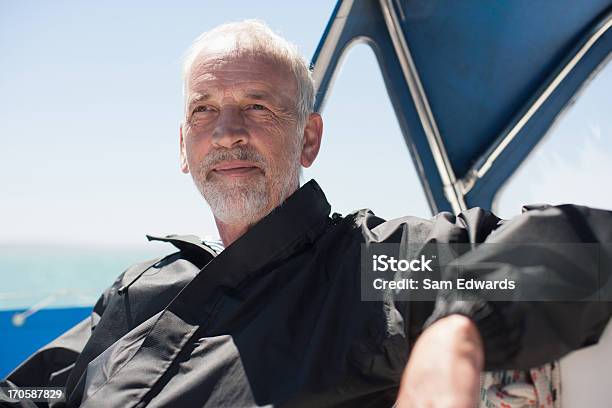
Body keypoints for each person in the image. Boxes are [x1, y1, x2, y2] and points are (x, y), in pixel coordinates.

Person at [2, 20, 611, 408]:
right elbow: (40, 389)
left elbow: (580, 250)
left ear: (308, 140)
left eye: (258, 107)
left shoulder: (368, 271)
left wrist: (456, 332)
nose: (228, 133)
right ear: (183, 148)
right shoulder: (145, 290)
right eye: (204, 111)